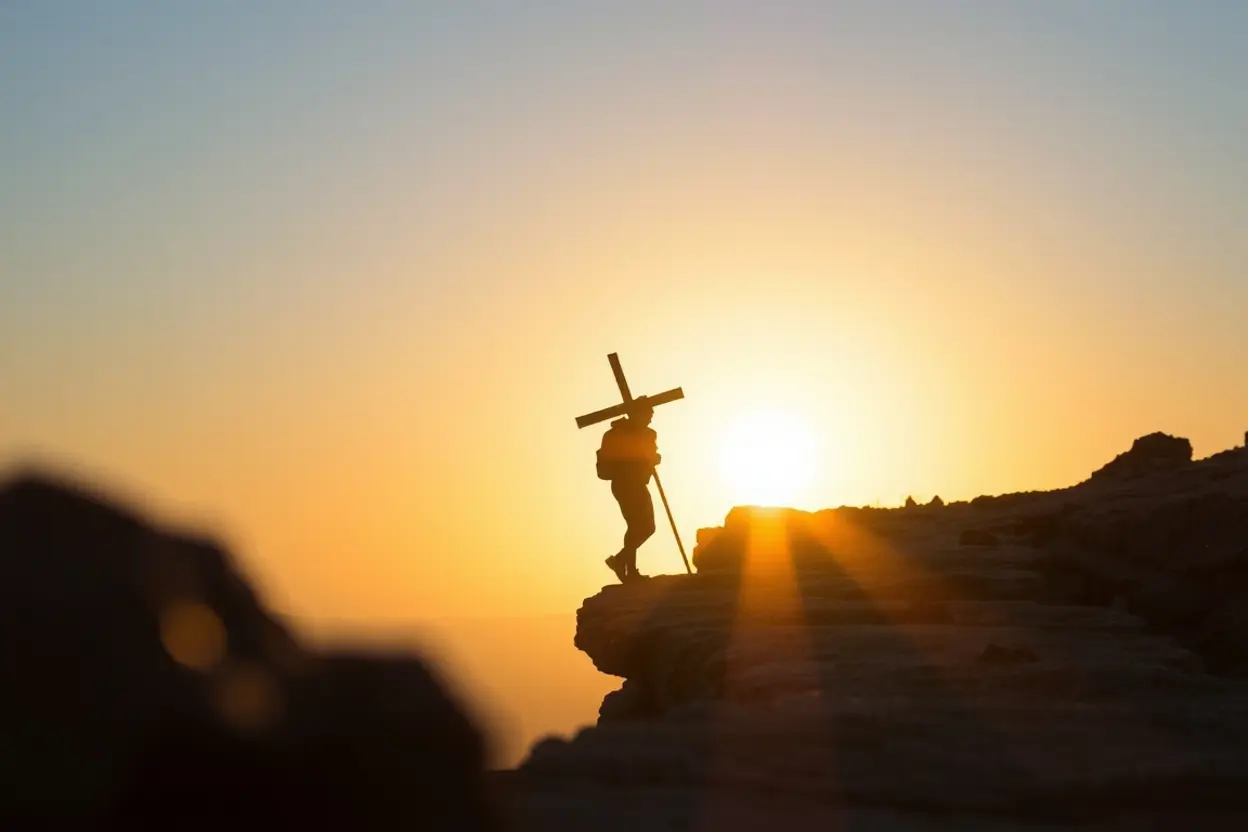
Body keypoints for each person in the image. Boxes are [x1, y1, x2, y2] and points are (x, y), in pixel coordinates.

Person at [596, 399, 660, 582]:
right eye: (648, 415)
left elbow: (648, 455)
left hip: (632, 484)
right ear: (639, 414)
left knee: (640, 527)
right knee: (642, 527)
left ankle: (626, 565)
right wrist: (651, 457)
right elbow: (638, 456)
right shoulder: (621, 434)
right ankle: (624, 563)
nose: (650, 419)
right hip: (627, 484)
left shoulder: (645, 433)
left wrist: (652, 457)